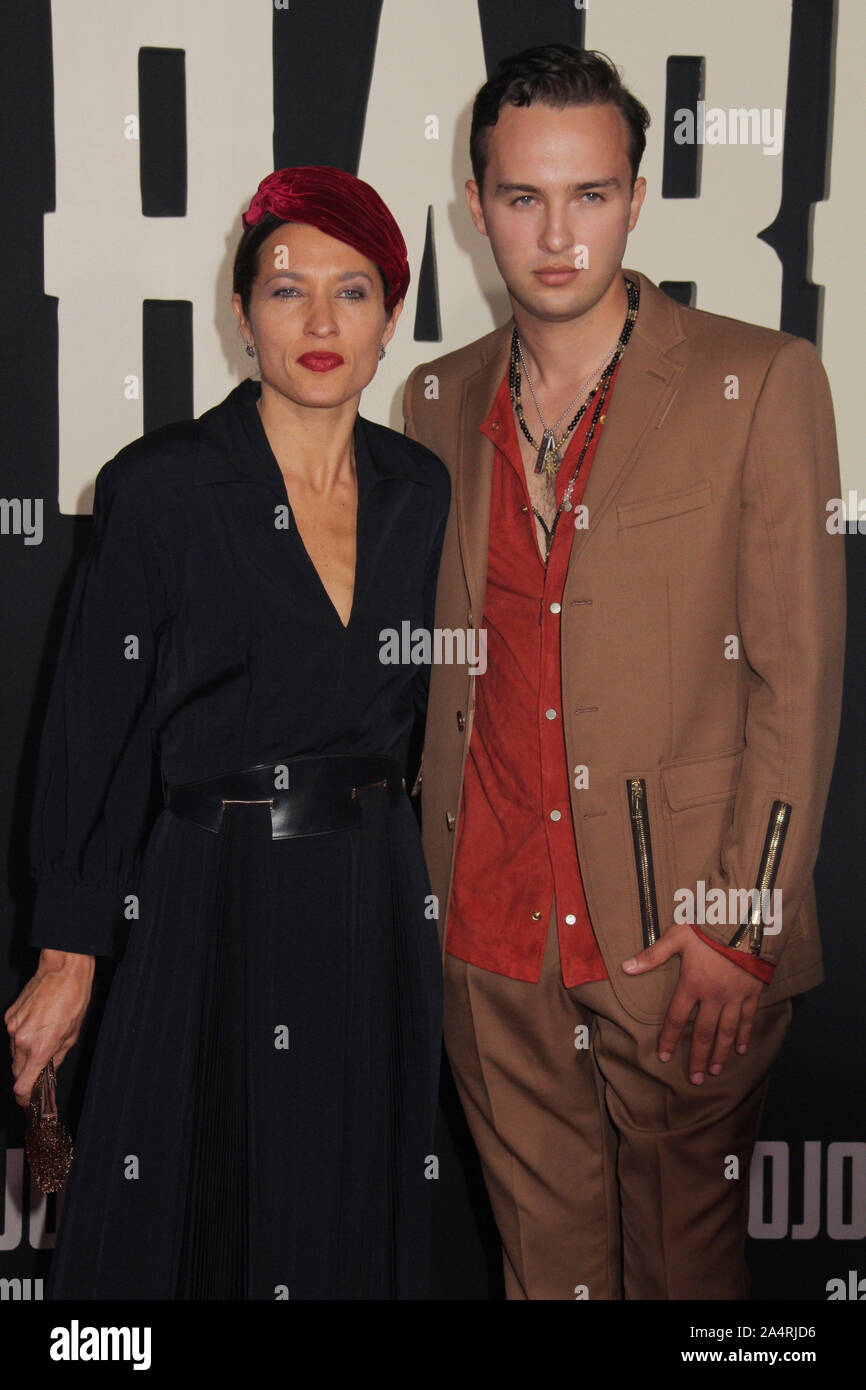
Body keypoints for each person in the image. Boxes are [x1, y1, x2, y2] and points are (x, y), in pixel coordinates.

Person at [403, 45, 845, 1299]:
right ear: (476, 203)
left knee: (683, 1276)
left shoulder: (757, 380)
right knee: (544, 1277)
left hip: (679, 937)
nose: (556, 234)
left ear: (636, 199)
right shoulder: (435, 399)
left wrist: (742, 924)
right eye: (522, 198)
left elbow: (796, 676)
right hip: (489, 934)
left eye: (588, 195)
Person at [6, 165, 450, 1300]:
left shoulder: (422, 490)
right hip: (208, 894)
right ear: (240, 313)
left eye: (352, 292)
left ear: (390, 319)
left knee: (347, 1208)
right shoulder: (162, 485)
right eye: (285, 288)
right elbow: (89, 733)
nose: (317, 322)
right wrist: (70, 948)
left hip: (370, 891)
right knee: (190, 1216)